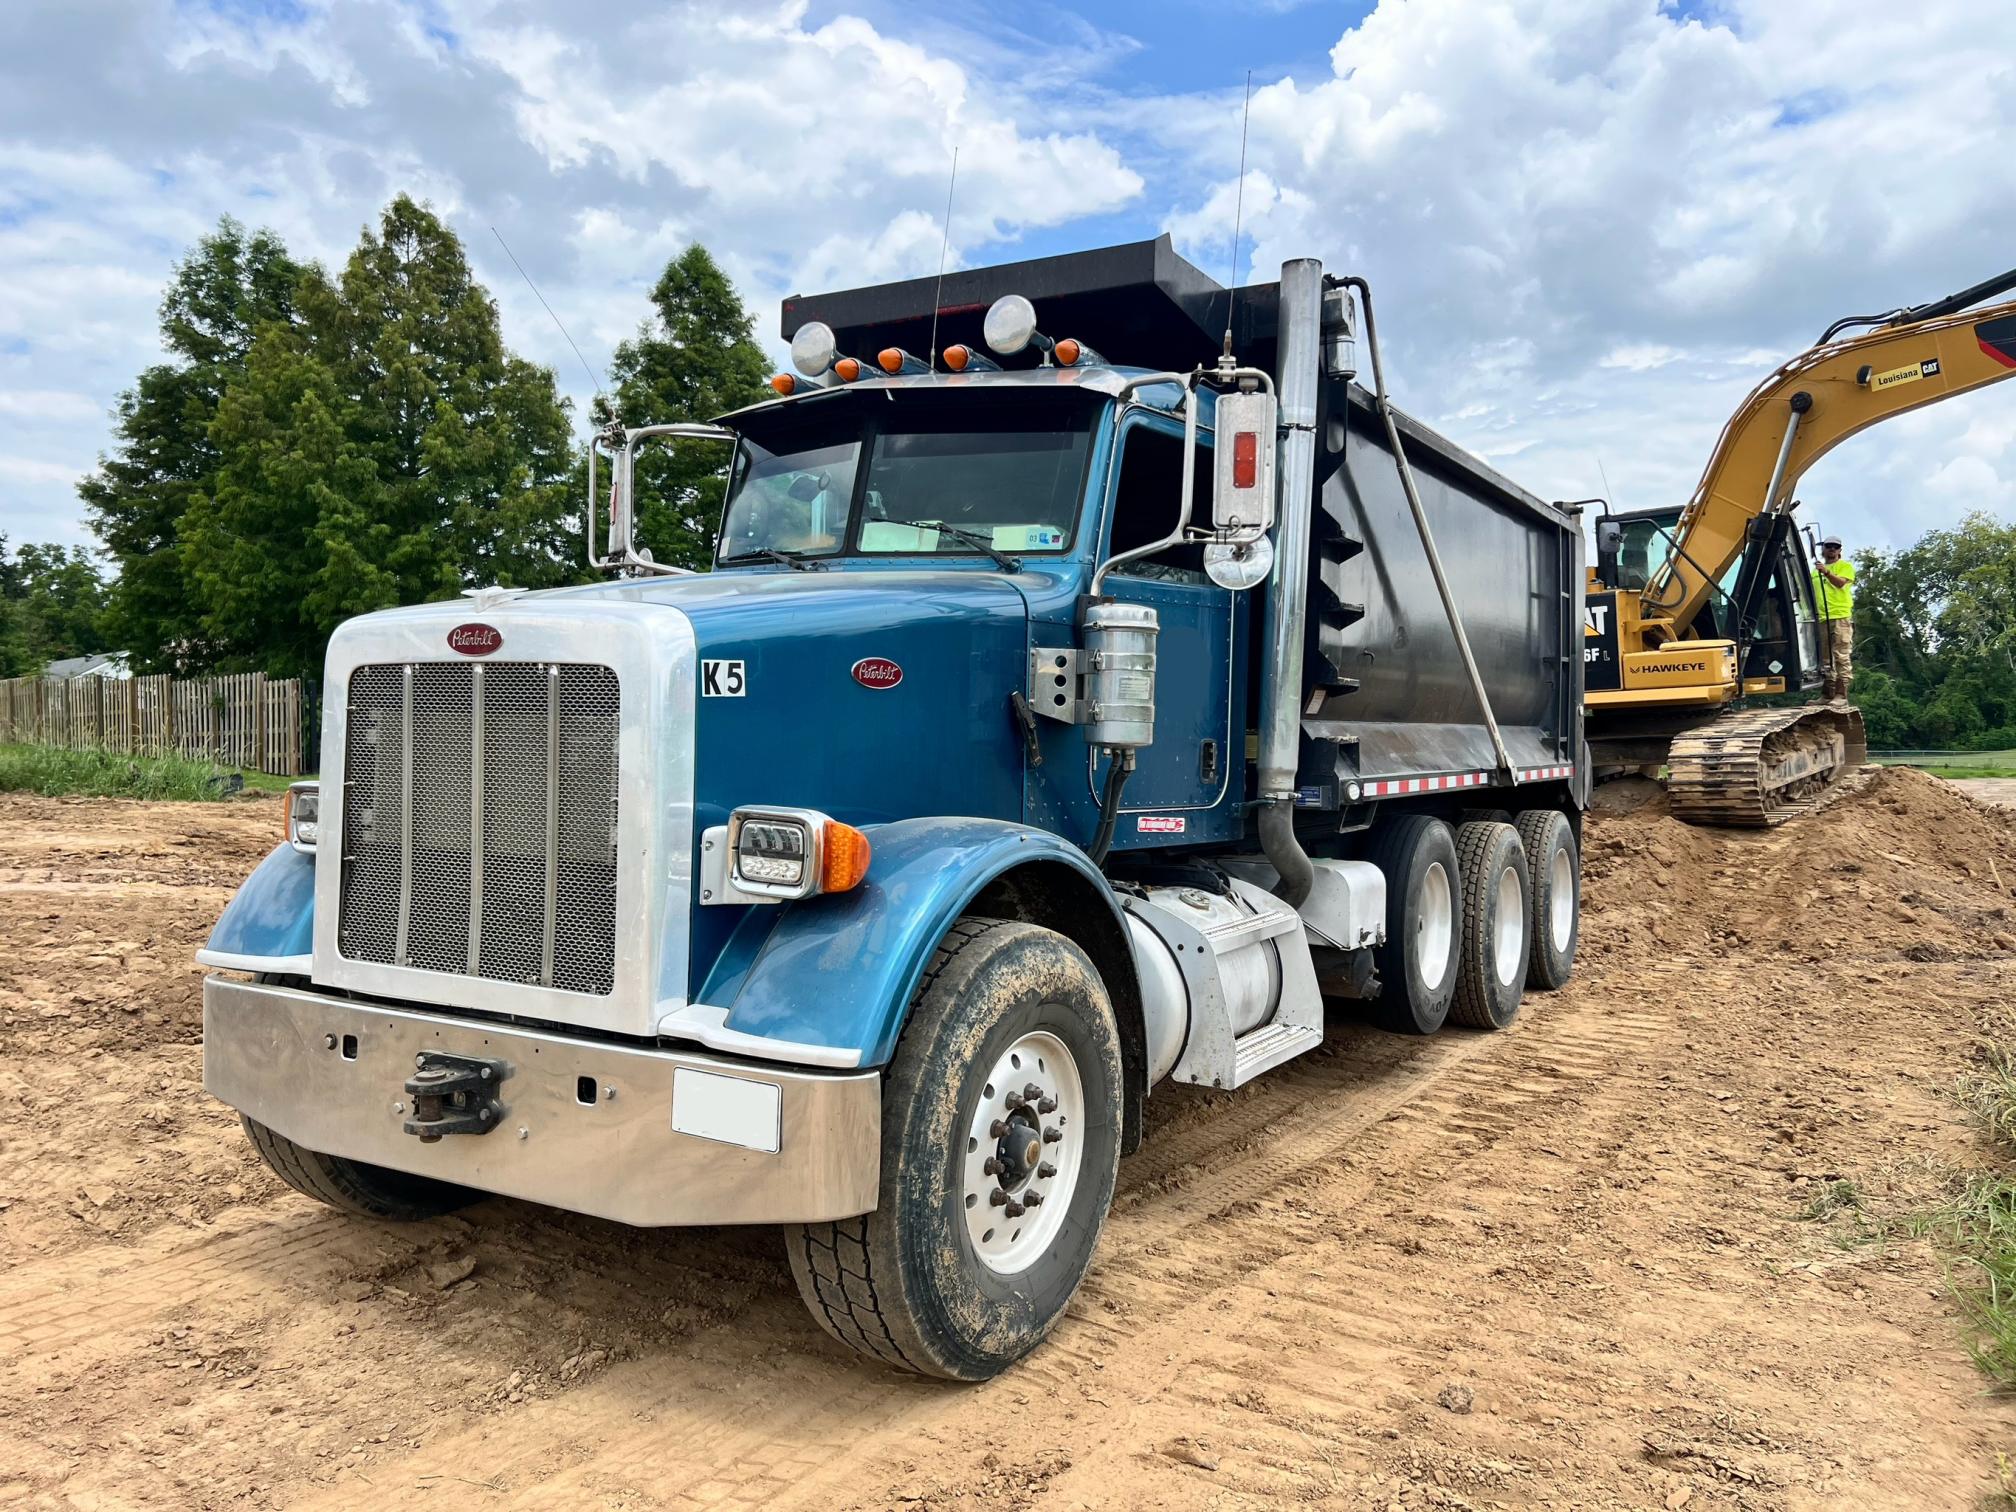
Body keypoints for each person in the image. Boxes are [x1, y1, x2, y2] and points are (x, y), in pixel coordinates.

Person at [1811, 534, 1856, 702]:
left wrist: (1827, 572)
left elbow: (1840, 583)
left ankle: (1841, 695)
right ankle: (1827, 694)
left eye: (1835, 547)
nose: (1831, 549)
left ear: (1839, 550)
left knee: (1840, 655)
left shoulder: (1844, 566)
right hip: (1822, 619)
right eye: (1828, 546)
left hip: (1840, 617)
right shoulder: (1814, 572)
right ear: (1823, 548)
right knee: (1825, 658)